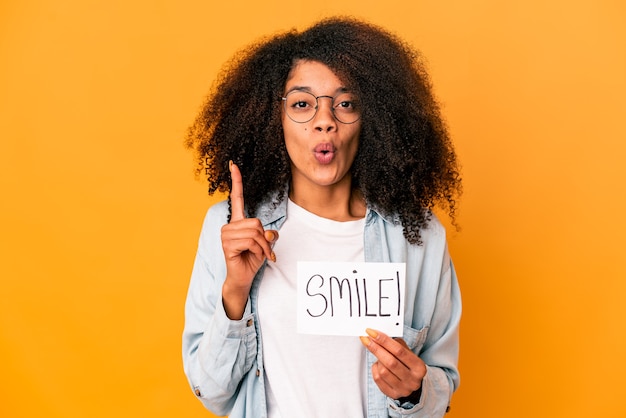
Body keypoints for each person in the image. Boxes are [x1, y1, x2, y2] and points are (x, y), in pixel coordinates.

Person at [182, 17, 462, 418]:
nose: (325, 119)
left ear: (374, 119)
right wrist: (236, 291)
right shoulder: (230, 230)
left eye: (345, 103)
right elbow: (210, 391)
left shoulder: (419, 239)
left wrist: (414, 392)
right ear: (272, 119)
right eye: (301, 103)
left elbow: (441, 386)